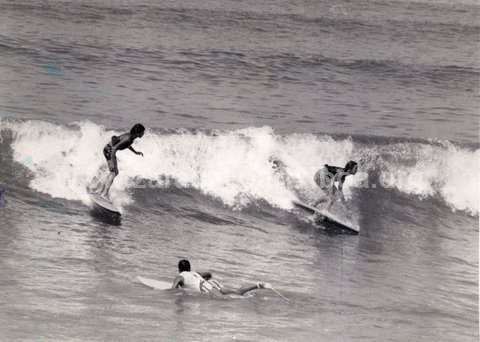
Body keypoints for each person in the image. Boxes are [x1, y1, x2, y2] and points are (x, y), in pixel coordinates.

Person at [171, 259, 272, 296]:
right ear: (189, 267)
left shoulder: (180, 276)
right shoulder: (194, 273)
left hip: (205, 287)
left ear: (179, 269)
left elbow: (173, 289)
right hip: (212, 283)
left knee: (224, 300)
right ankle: (257, 285)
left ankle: (249, 300)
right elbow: (209, 274)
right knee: (237, 292)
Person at [98, 123, 145, 198]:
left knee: (113, 172)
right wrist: (112, 161)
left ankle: (100, 191)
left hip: (108, 149)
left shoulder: (130, 137)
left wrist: (135, 152)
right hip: (109, 151)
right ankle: (104, 194)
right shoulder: (129, 138)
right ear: (138, 132)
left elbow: (126, 145)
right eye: (143, 132)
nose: (143, 133)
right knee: (114, 173)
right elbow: (115, 148)